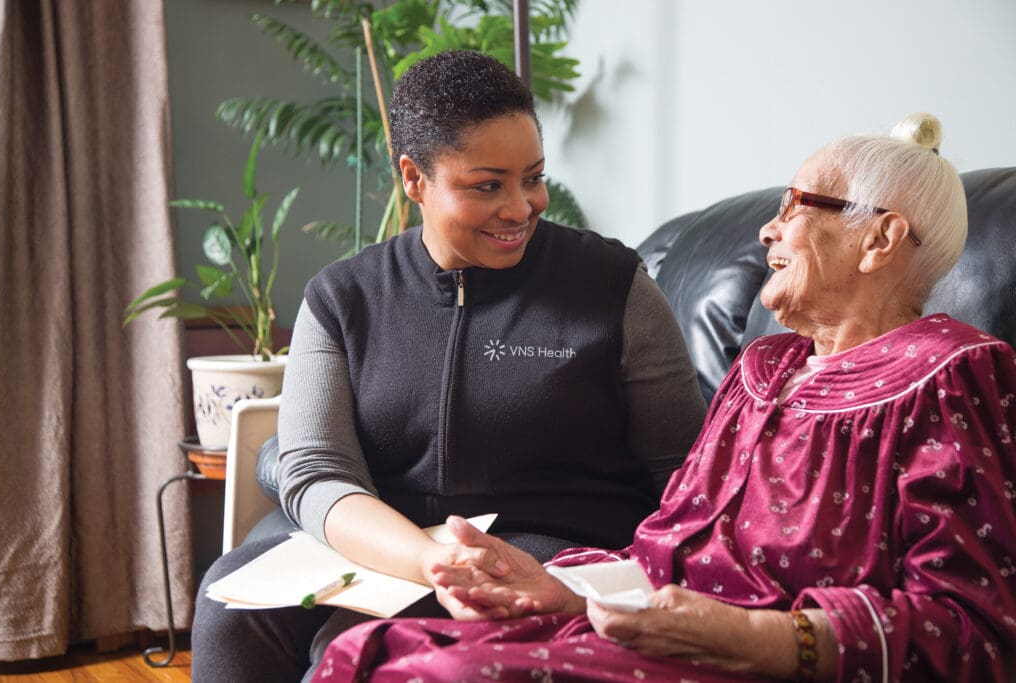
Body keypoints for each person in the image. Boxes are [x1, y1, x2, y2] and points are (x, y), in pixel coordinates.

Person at [314, 113, 1016, 682]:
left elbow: (975, 631)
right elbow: (669, 547)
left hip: (761, 661)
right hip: (661, 635)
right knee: (369, 649)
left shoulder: (952, 374)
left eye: (797, 205)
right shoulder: (762, 367)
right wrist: (556, 588)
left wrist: (753, 636)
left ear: (881, 238)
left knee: (446, 676)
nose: (768, 230)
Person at [190, 50, 707, 682]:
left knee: (356, 644)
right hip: (392, 541)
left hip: (553, 546)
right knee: (229, 601)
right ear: (414, 178)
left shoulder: (613, 287)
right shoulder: (343, 298)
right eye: (487, 185)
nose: (520, 207)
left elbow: (686, 480)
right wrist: (426, 560)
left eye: (533, 177)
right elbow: (317, 470)